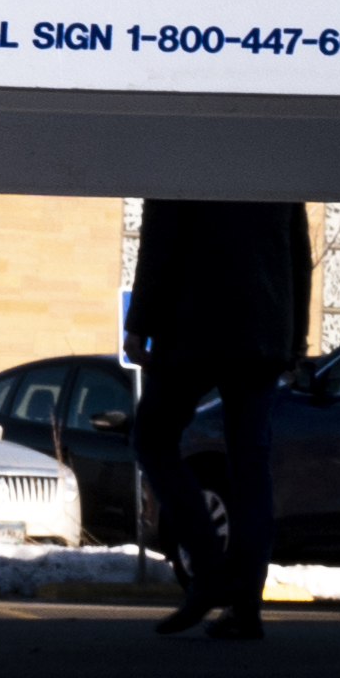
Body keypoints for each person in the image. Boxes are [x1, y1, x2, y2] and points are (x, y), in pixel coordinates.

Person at [128, 200, 310, 641]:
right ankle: (246, 605)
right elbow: (299, 253)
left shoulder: (187, 143)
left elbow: (160, 243)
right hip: (265, 330)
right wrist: (295, 337)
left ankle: (210, 570)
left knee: (153, 439)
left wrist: (139, 324)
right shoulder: (280, 156)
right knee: (250, 465)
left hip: (194, 326)